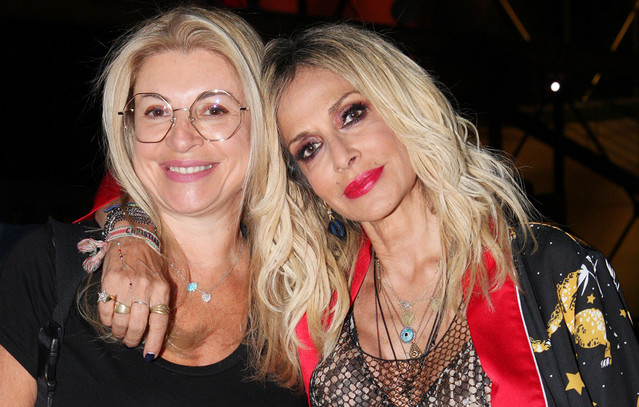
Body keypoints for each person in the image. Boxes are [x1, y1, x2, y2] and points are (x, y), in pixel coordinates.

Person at [87, 23, 639, 407]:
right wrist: (132, 232)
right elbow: (169, 177)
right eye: (308, 148)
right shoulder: (312, 305)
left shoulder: (553, 270)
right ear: (302, 181)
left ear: (402, 104)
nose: (342, 155)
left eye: (352, 114)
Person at [0, 7, 306, 406]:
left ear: (262, 125)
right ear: (129, 132)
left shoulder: (311, 292)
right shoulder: (47, 268)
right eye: (156, 111)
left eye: (214, 109)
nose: (181, 138)